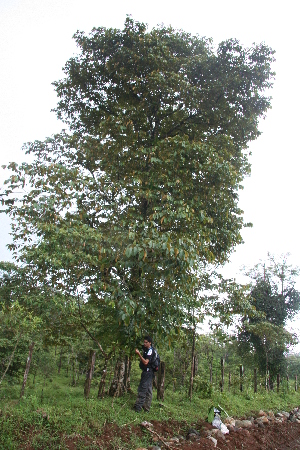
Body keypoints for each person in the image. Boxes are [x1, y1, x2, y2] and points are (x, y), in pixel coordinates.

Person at [134, 335, 154, 412]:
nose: (144, 344)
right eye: (144, 342)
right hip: (148, 372)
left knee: (143, 389)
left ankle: (138, 408)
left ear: (150, 343)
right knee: (149, 391)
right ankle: (146, 408)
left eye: (146, 342)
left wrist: (139, 354)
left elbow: (146, 362)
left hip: (148, 372)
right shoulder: (146, 350)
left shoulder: (150, 351)